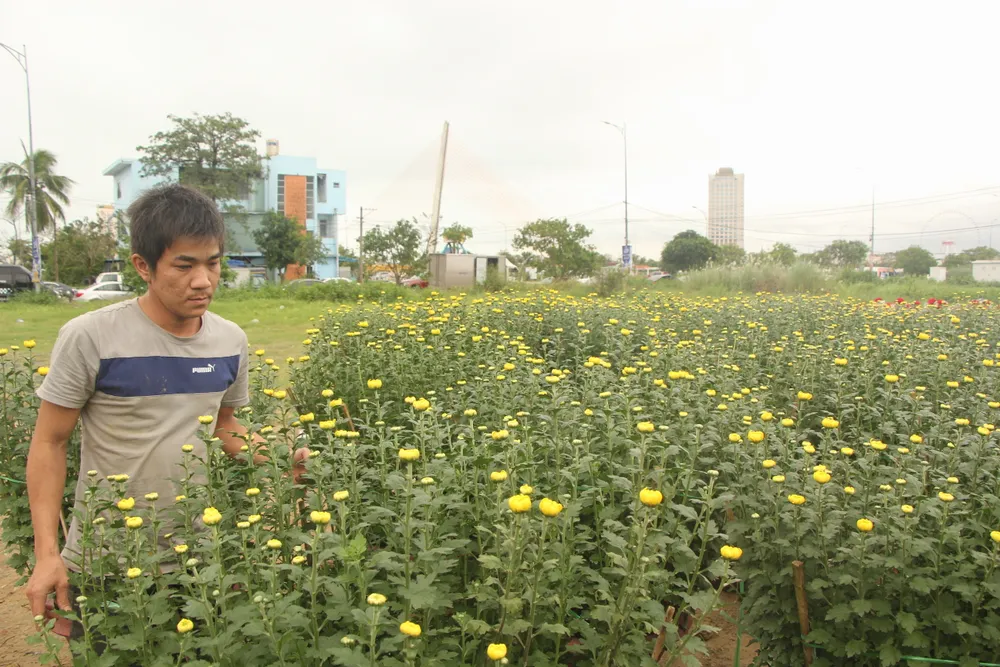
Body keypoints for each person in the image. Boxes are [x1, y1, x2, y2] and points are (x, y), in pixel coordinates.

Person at [23, 183, 306, 639]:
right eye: (184, 265)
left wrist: (281, 454)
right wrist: (46, 553)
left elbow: (224, 426)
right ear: (143, 266)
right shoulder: (91, 336)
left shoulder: (229, 341)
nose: (203, 280)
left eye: (213, 263)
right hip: (106, 560)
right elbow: (49, 442)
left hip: (199, 559)